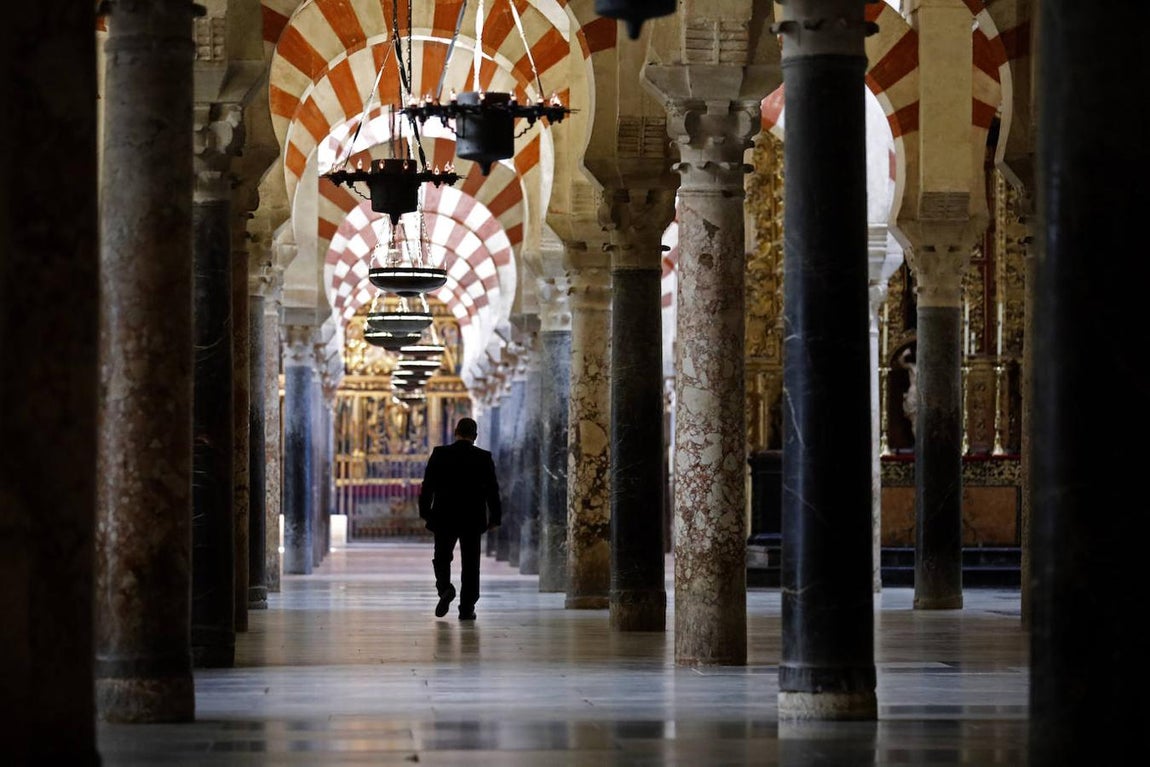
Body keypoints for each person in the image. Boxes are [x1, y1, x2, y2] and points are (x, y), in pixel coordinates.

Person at [418, 417, 502, 620]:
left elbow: (427, 486)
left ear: (455, 432)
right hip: (472, 517)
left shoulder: (440, 454)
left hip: (444, 515)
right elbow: (492, 490)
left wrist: (425, 512)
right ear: (475, 436)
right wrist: (495, 518)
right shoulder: (483, 457)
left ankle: (445, 588)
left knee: (442, 557)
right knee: (471, 563)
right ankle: (466, 607)